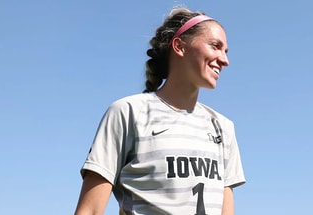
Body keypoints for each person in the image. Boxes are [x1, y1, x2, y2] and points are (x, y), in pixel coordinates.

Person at [75, 7, 245, 215]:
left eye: (225, 52)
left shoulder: (223, 127)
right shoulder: (127, 112)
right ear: (179, 47)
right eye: (215, 46)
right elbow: (90, 210)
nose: (225, 60)